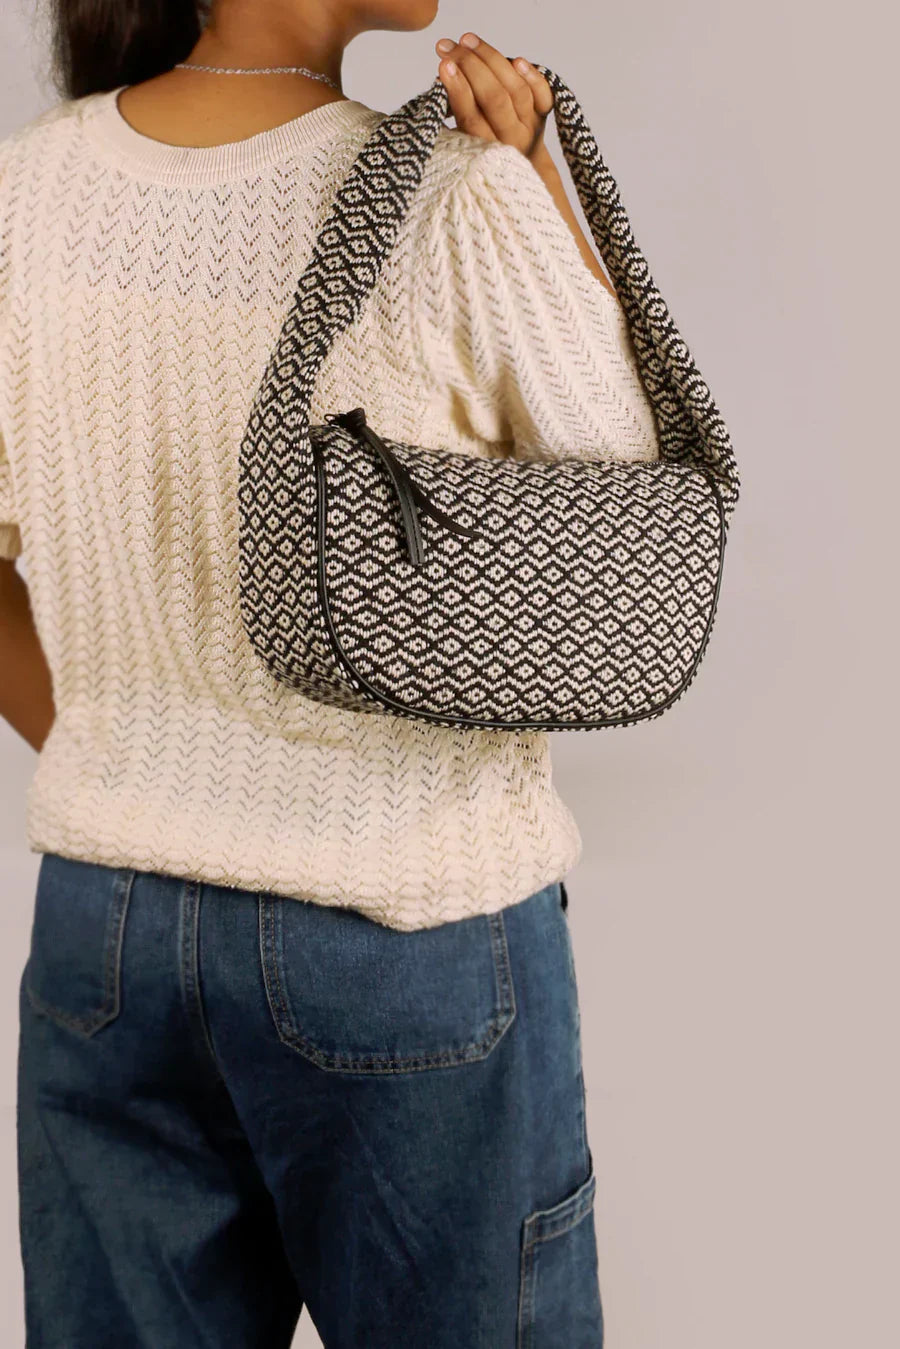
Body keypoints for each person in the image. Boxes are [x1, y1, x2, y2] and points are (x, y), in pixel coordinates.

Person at [0, 2, 660, 1344]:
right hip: (401, 921)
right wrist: (537, 184)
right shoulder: (451, 192)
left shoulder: (27, 192)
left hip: (104, 928)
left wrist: (127, 759)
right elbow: (636, 505)